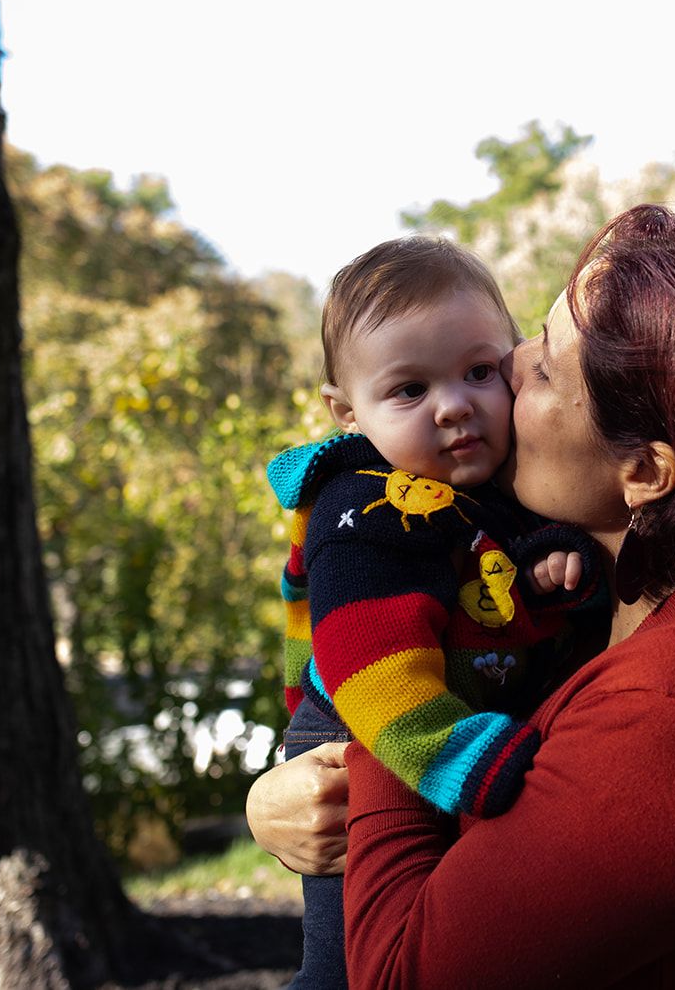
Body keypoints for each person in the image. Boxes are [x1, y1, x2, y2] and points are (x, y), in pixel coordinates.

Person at [248, 205, 675, 989]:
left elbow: (401, 976)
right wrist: (288, 794)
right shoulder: (614, 613)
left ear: (643, 470)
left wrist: (372, 738)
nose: (505, 369)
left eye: (538, 366)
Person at [268, 237, 603, 990]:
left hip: (454, 716)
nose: (455, 405)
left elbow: (501, 567)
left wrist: (553, 566)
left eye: (479, 372)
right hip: (368, 724)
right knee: (346, 962)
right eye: (410, 390)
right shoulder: (366, 505)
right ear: (348, 411)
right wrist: (460, 754)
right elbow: (369, 659)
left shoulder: (491, 482)